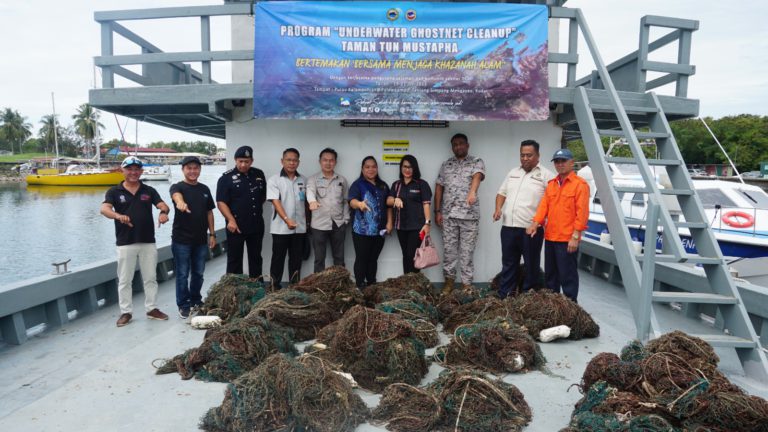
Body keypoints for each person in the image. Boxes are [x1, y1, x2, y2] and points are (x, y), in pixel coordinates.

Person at [100, 156, 170, 327]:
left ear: (141, 171)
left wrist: (163, 212)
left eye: (137, 169)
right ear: (122, 170)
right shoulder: (114, 192)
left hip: (148, 241)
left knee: (150, 278)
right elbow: (104, 209)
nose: (133, 172)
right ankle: (126, 312)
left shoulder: (149, 190)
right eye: (129, 169)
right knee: (125, 279)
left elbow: (163, 205)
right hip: (125, 242)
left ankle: (152, 309)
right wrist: (118, 215)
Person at [493, 140, 555, 298]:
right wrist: (498, 209)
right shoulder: (513, 172)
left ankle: (528, 296)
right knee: (508, 263)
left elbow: (552, 202)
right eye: (522, 155)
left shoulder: (547, 176)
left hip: (531, 229)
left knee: (531, 265)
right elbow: (502, 193)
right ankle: (505, 295)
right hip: (508, 227)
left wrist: (539, 222)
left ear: (538, 156)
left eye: (529, 155)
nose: (525, 158)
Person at [527, 148, 590, 302]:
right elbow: (544, 207)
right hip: (550, 238)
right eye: (557, 161)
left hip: (567, 240)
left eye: (563, 161)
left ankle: (570, 308)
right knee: (551, 277)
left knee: (567, 277)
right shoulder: (552, 184)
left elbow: (582, 214)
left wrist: (575, 236)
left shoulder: (580, 185)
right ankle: (553, 307)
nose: (560, 164)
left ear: (571, 163)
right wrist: (535, 224)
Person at [434, 133, 485, 295]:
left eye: (461, 144)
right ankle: (448, 282)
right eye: (455, 144)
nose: (458, 147)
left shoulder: (476, 162)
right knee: (449, 251)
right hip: (449, 216)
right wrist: (437, 211)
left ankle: (466, 285)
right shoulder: (446, 165)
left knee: (467, 252)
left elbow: (478, 176)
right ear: (452, 147)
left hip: (469, 217)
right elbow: (439, 187)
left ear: (467, 145)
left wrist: (472, 192)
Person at [170, 156, 217, 319]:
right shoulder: (177, 187)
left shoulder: (204, 189)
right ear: (183, 170)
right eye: (189, 168)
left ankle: (196, 299)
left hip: (200, 240)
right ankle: (183, 304)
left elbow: (209, 212)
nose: (192, 171)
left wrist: (212, 234)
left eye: (195, 168)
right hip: (181, 240)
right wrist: (180, 203)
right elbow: (176, 196)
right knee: (182, 273)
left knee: (198, 272)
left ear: (200, 170)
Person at [216, 145, 267, 279]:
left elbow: (262, 197)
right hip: (235, 226)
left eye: (247, 161)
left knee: (256, 258)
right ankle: (234, 291)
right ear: (235, 160)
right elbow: (221, 202)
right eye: (240, 161)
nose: (243, 164)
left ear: (252, 161)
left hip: (256, 224)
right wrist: (231, 220)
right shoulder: (225, 178)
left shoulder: (259, 174)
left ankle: (257, 288)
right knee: (234, 260)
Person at [348, 156, 393, 288]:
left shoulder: (383, 185)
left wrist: (390, 222)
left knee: (373, 259)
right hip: (361, 231)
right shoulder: (357, 185)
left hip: (380, 230)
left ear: (377, 168)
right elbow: (351, 201)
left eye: (373, 166)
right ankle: (360, 285)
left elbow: (388, 205)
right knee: (362, 259)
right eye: (367, 167)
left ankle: (371, 284)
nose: (371, 169)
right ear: (362, 169)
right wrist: (359, 204)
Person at [267, 148, 308, 288]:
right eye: (288, 160)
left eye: (295, 160)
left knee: (296, 260)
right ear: (282, 161)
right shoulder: (274, 180)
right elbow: (275, 201)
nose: (292, 163)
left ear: (298, 162)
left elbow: (308, 202)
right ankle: (274, 287)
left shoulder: (303, 179)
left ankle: (294, 287)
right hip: (280, 228)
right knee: (278, 258)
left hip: (299, 227)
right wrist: (286, 219)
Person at [306, 148, 349, 272]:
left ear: (335, 162)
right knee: (319, 259)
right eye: (325, 160)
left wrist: (346, 219)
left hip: (338, 224)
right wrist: (312, 201)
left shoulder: (341, 180)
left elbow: (346, 200)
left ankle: (340, 286)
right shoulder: (313, 179)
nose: (328, 163)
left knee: (339, 258)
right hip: (319, 224)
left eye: (331, 160)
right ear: (320, 161)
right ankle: (319, 288)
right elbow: (310, 192)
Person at [388, 155, 432, 274]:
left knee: (412, 255)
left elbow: (426, 204)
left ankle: (414, 284)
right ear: (401, 168)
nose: (407, 170)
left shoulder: (421, 184)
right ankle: (407, 282)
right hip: (401, 226)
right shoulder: (396, 185)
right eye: (405, 167)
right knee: (405, 255)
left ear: (415, 168)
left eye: (410, 167)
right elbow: (388, 200)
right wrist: (395, 200)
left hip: (417, 227)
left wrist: (427, 223)